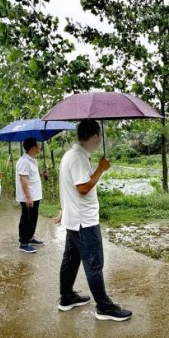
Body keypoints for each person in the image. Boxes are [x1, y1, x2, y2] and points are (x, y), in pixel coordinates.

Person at [55, 119, 132, 322]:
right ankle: (104, 307)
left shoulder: (70, 155)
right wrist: (101, 169)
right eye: (100, 136)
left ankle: (67, 297)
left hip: (74, 219)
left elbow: (67, 187)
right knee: (94, 264)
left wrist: (64, 209)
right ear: (96, 136)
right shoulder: (79, 158)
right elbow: (82, 188)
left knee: (71, 260)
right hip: (84, 222)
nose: (101, 141)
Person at [16, 137, 44, 253]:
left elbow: (30, 177)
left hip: (35, 195)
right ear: (33, 147)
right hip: (28, 196)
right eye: (38, 145)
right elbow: (23, 179)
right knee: (26, 219)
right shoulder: (24, 161)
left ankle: (30, 238)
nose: (40, 146)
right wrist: (28, 197)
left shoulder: (32, 160)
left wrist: (41, 174)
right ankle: (23, 243)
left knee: (33, 218)